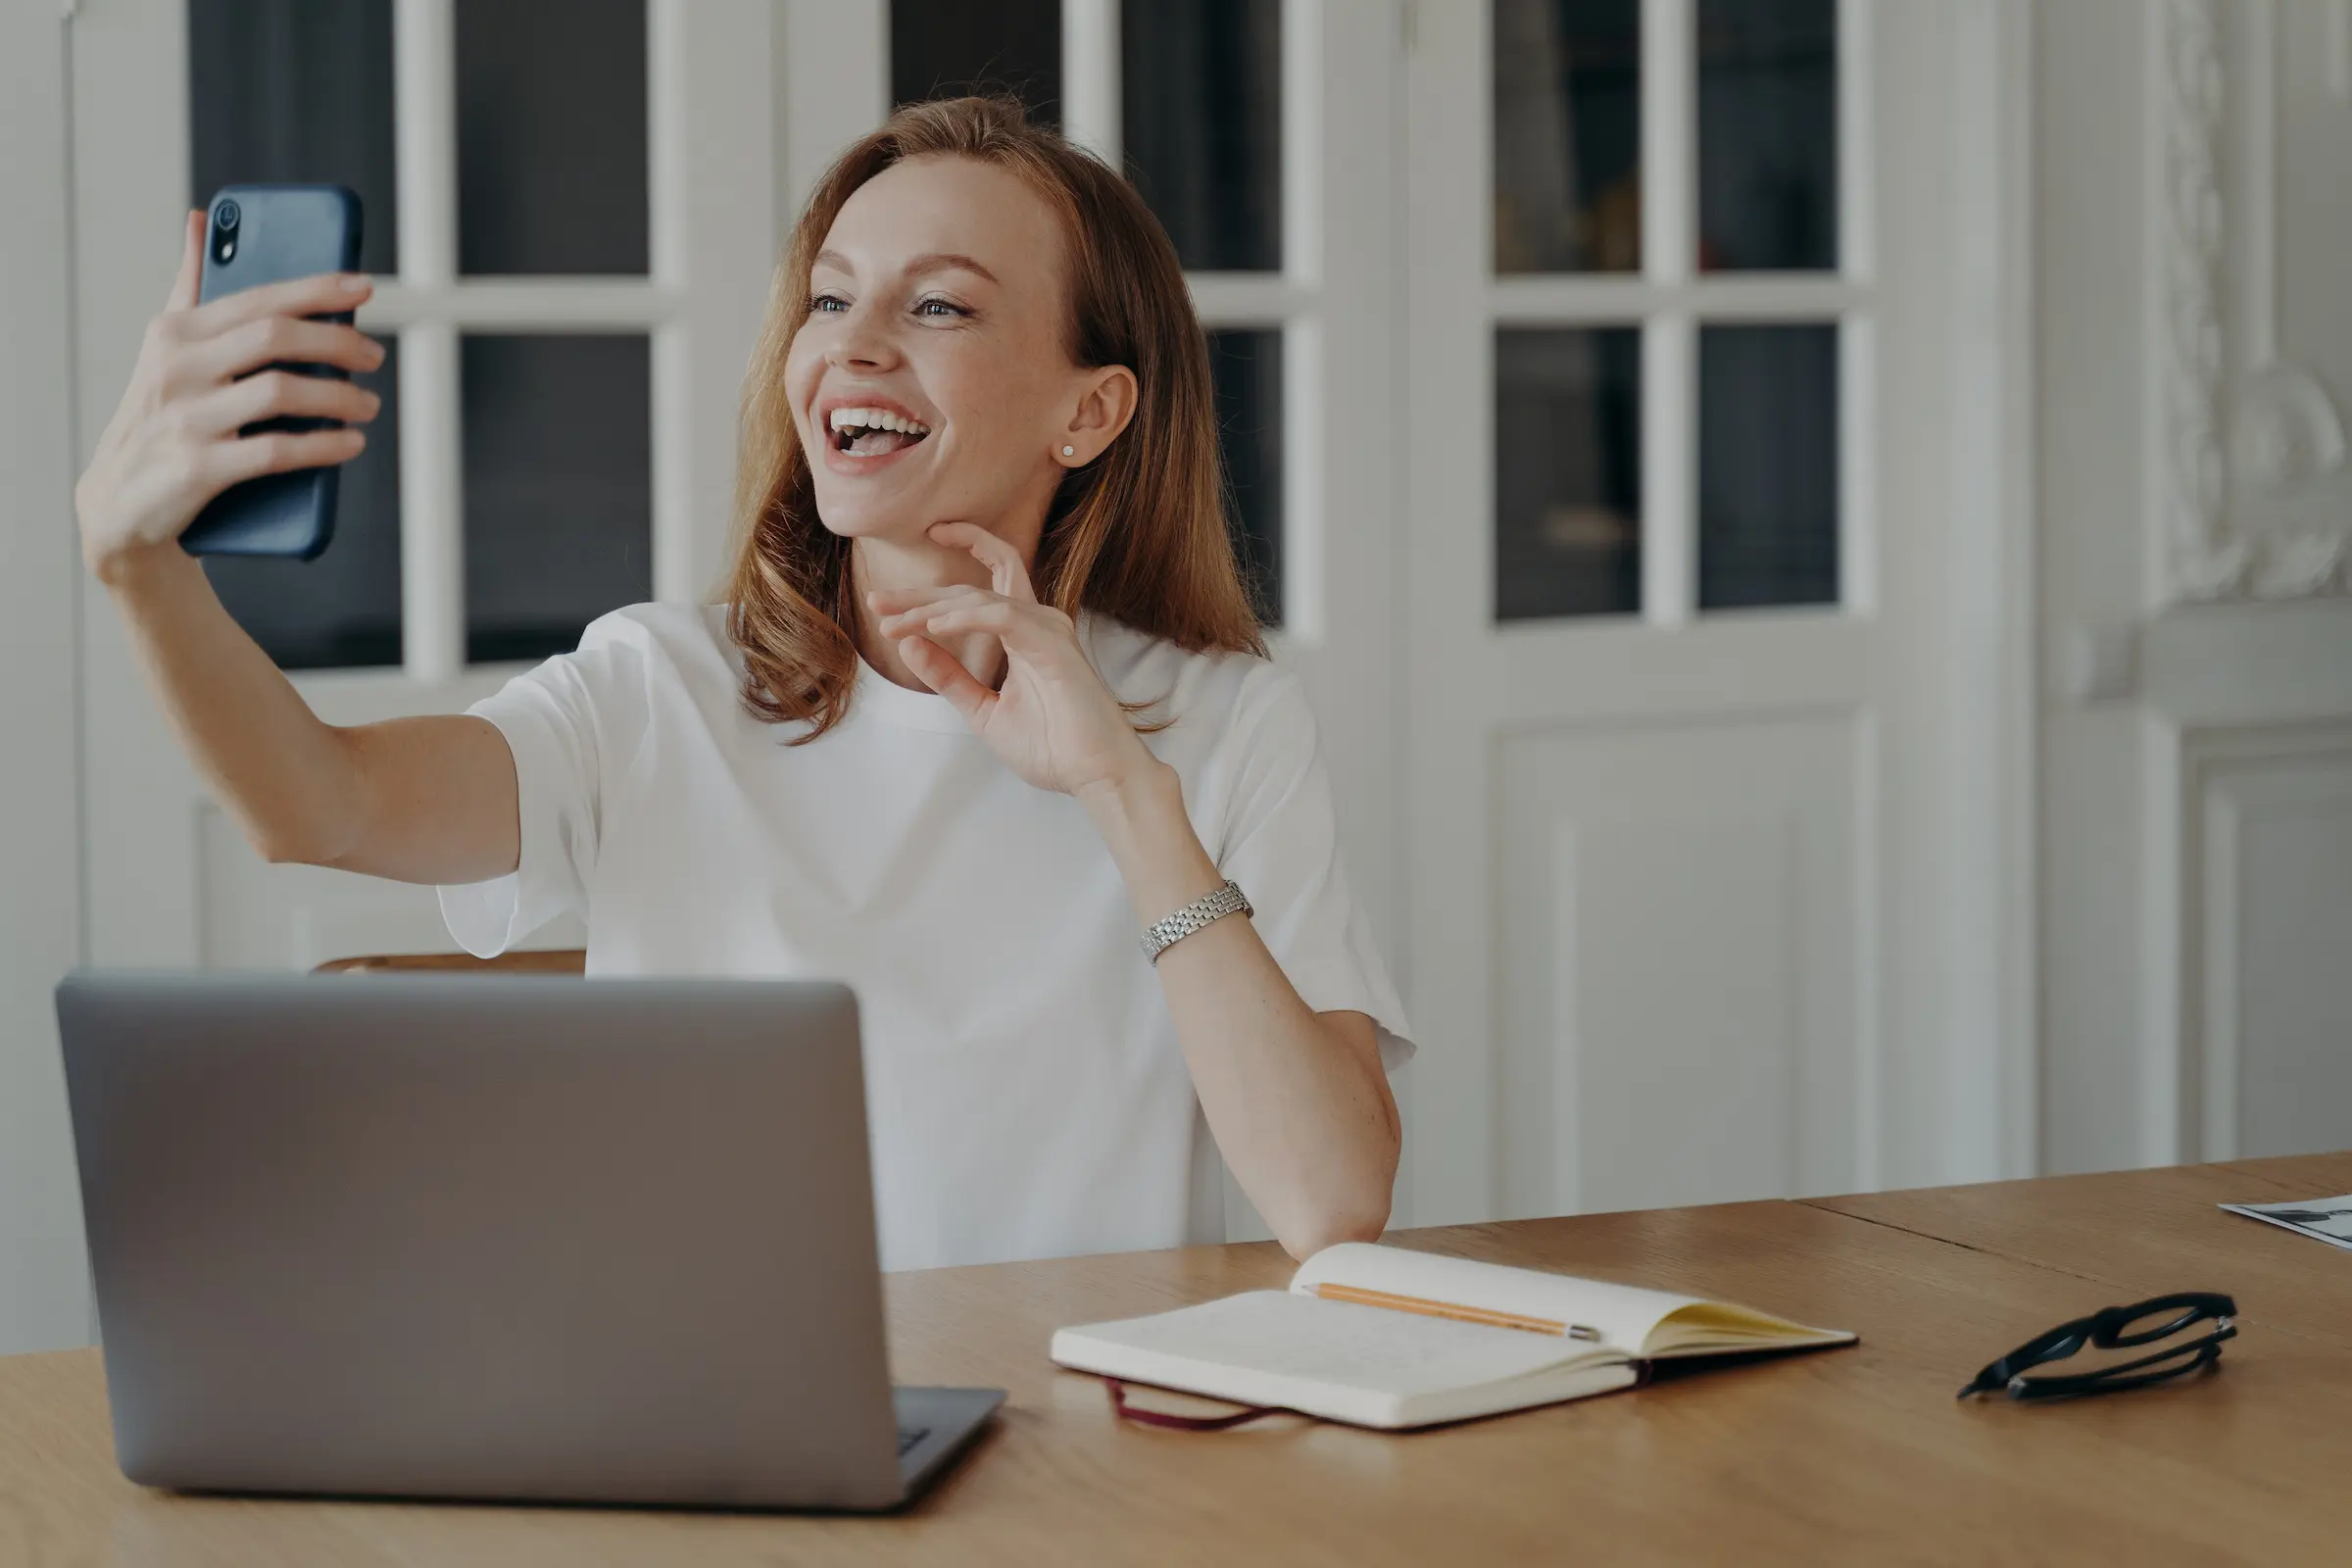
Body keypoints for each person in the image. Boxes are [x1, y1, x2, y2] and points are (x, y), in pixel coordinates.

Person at [73, 96, 1411, 1272]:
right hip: (721, 1435)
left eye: (937, 304)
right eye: (832, 298)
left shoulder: (1225, 724)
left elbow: (1331, 1201)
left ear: (1090, 412)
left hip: (1081, 1462)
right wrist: (140, 568)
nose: (857, 344)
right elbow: (321, 806)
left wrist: (1122, 787)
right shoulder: (659, 689)